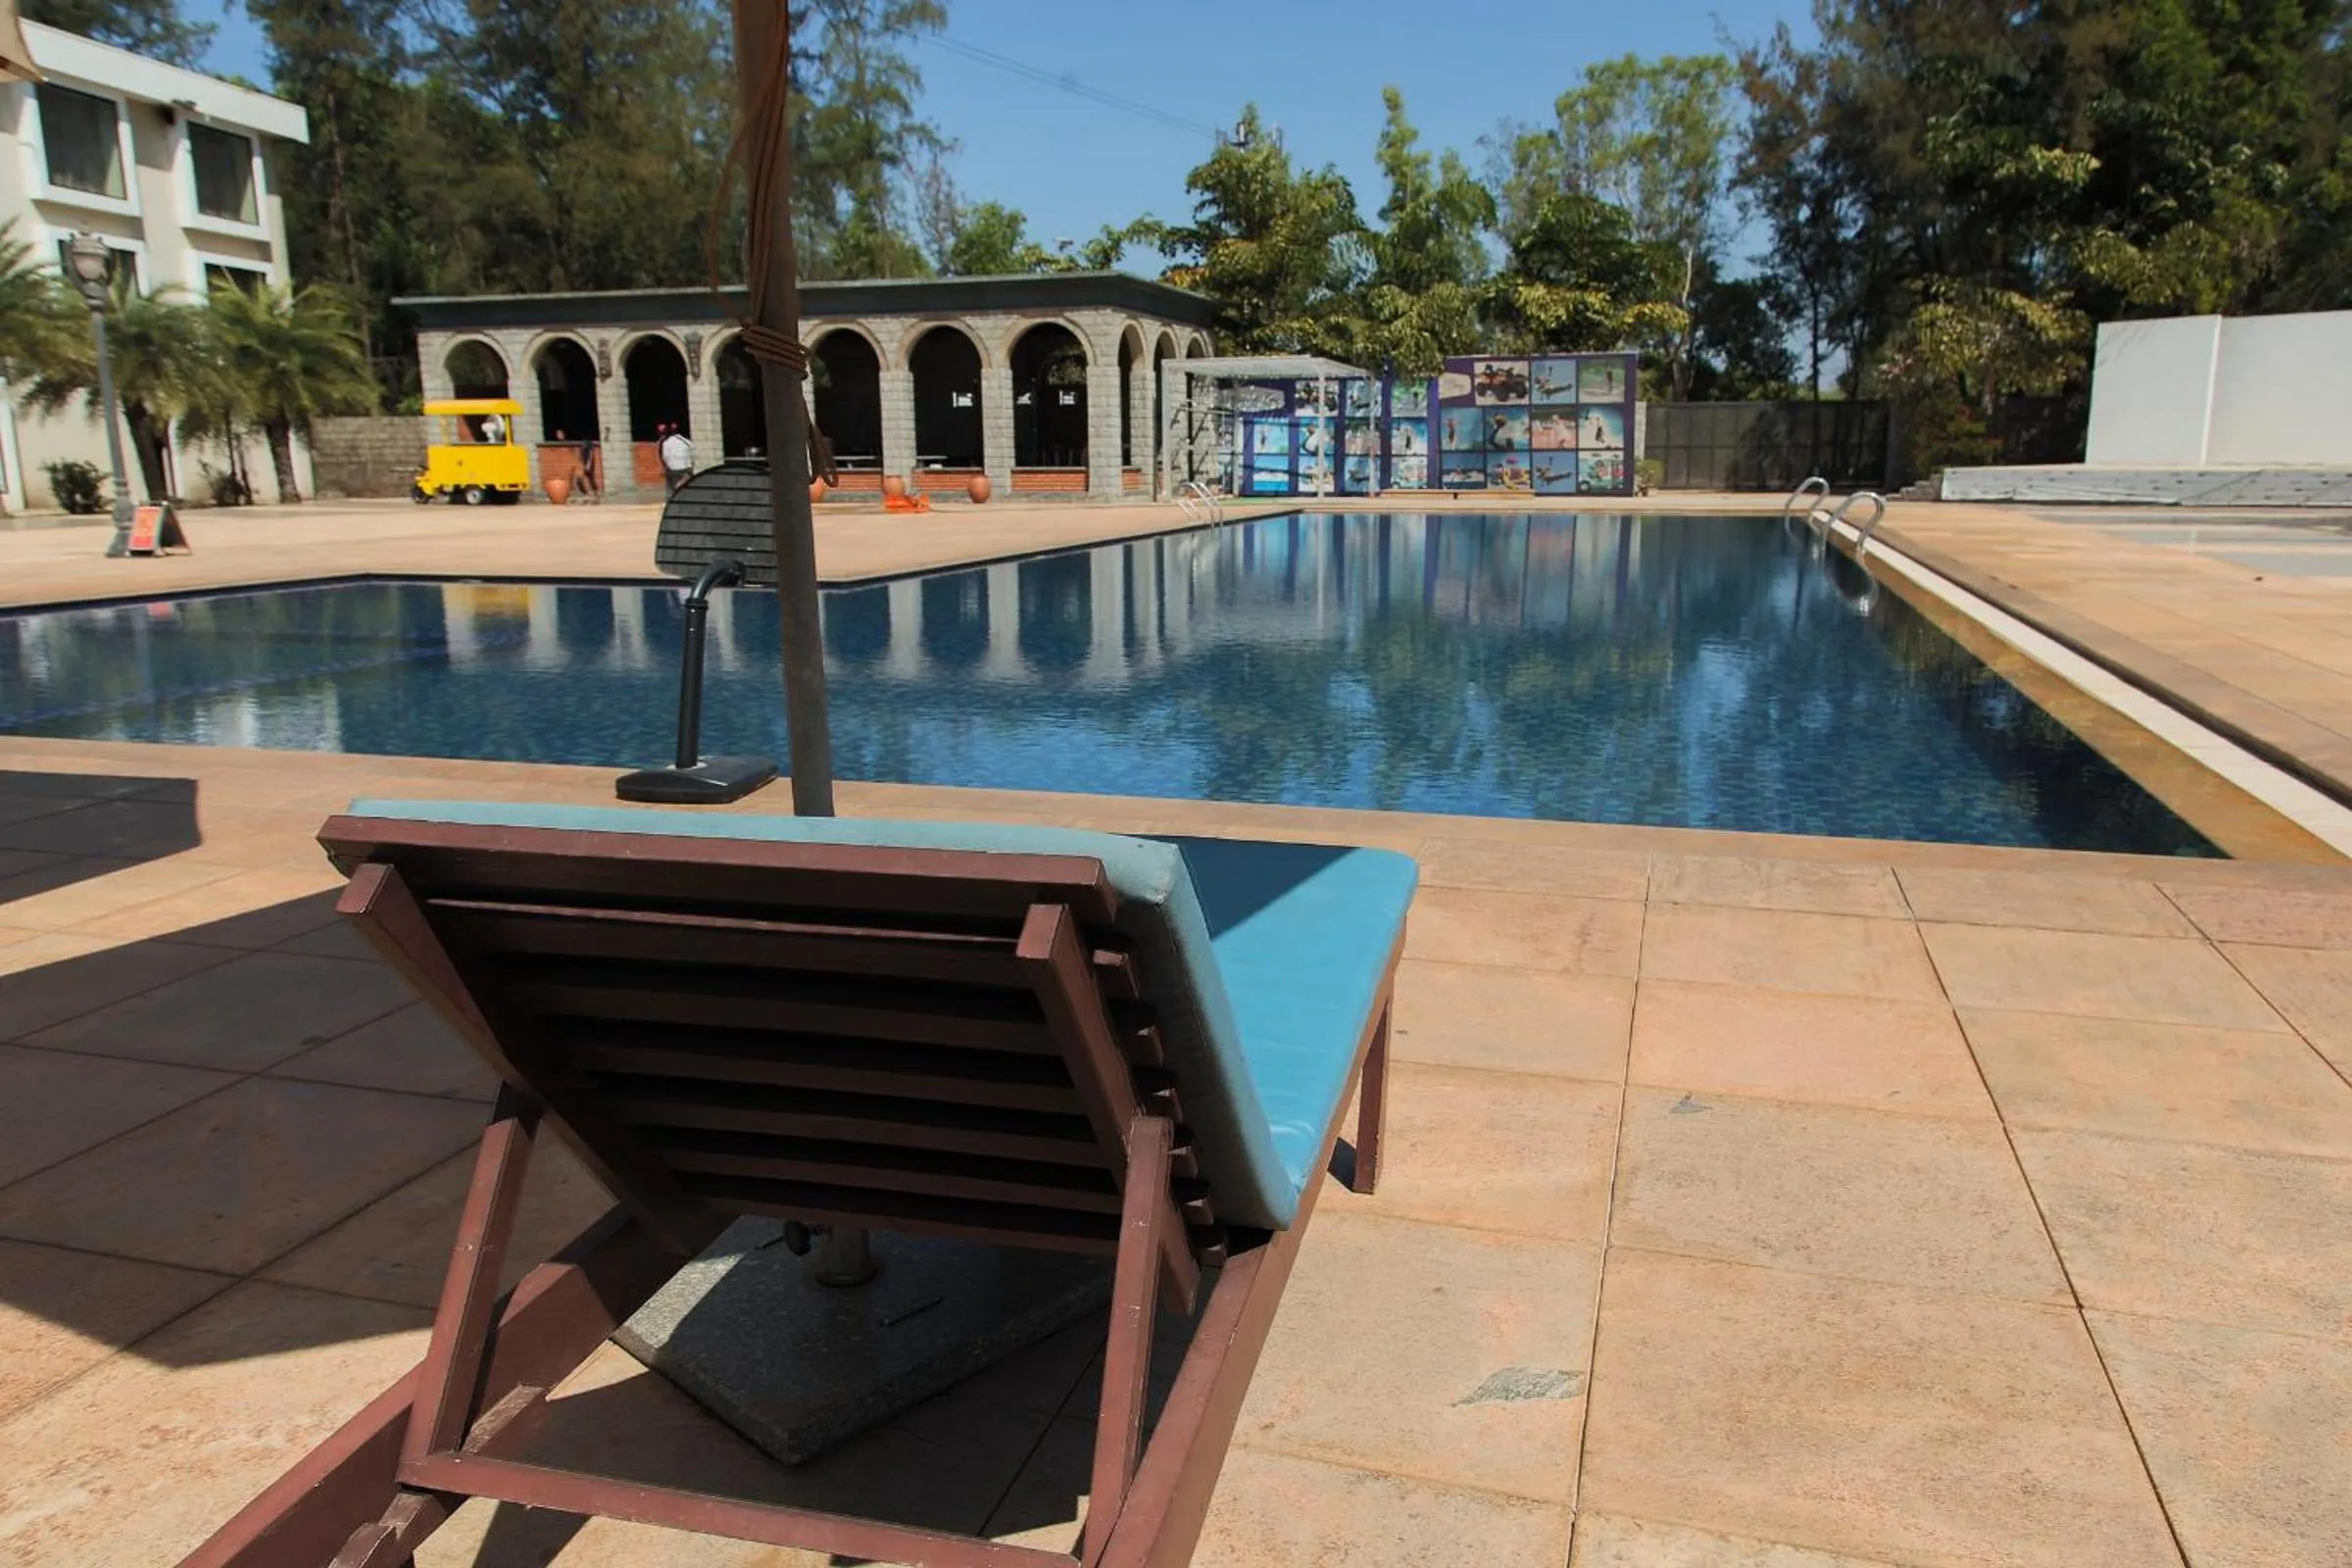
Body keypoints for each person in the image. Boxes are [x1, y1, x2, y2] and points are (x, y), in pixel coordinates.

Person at [659, 423, 694, 495]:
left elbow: (665, 457)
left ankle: (672, 495)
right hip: (686, 468)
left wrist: (667, 466)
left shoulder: (666, 442)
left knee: (670, 485)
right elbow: (692, 449)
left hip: (673, 470)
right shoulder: (686, 441)